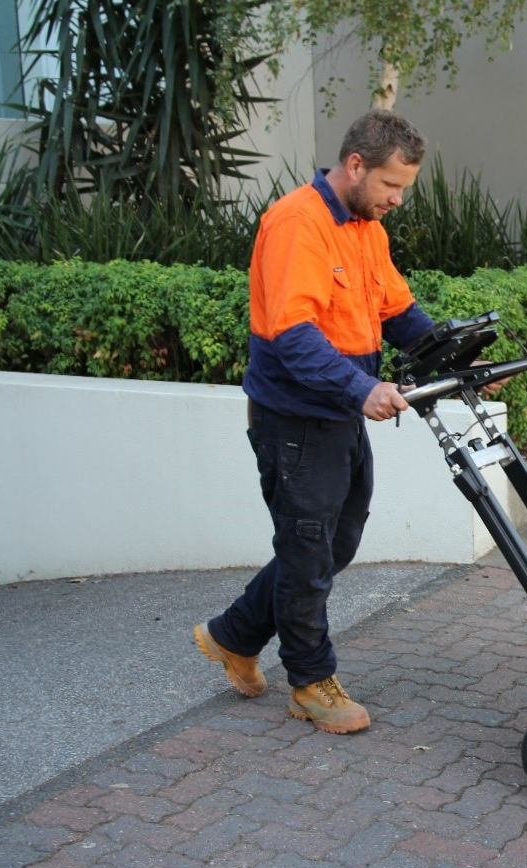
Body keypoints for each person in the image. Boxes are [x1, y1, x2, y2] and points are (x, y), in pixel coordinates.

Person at [193, 109, 435, 735]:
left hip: (339, 413)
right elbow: (293, 336)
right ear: (356, 166)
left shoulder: (364, 228)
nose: (398, 200)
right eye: (391, 185)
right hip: (296, 419)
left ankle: (233, 634)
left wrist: (461, 358)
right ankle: (309, 681)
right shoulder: (297, 223)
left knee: (335, 542)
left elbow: (399, 311)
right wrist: (362, 389)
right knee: (307, 553)